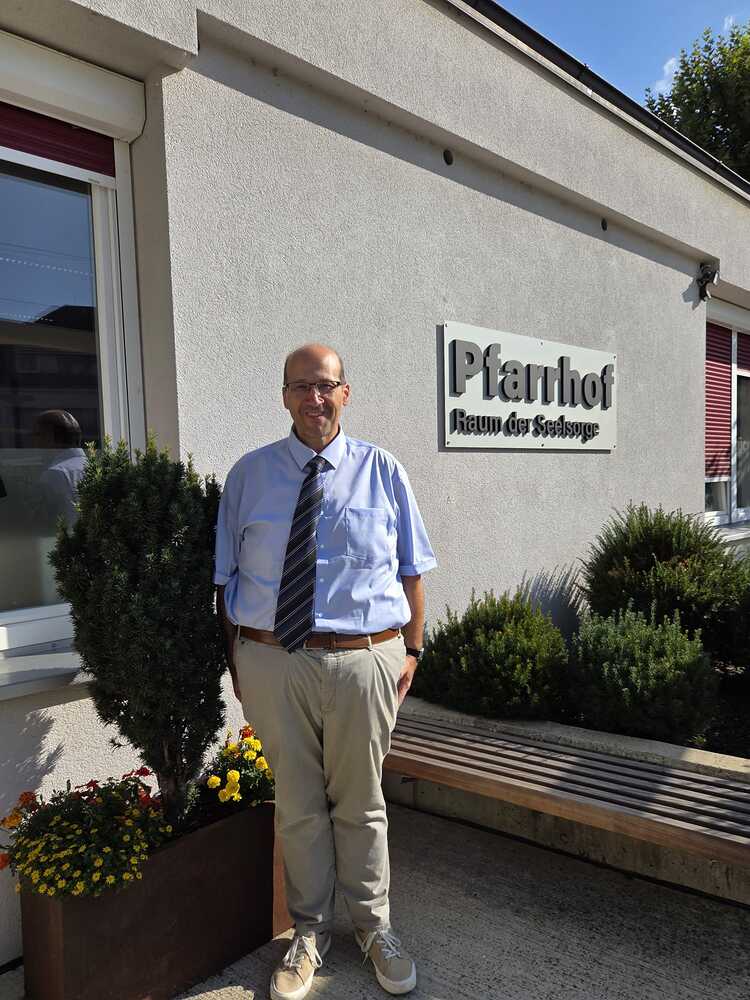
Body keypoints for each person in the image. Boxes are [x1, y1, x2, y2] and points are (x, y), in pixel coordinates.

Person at [214, 343, 436, 1000]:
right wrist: (238, 661)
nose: (314, 397)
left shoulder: (383, 471)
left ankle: (374, 927)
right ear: (284, 396)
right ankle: (309, 932)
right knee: (298, 804)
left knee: (362, 803)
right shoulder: (249, 476)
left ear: (346, 393)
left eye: (326, 385)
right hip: (272, 660)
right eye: (301, 386)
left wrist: (413, 651)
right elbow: (225, 580)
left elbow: (412, 571)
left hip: (364, 660)